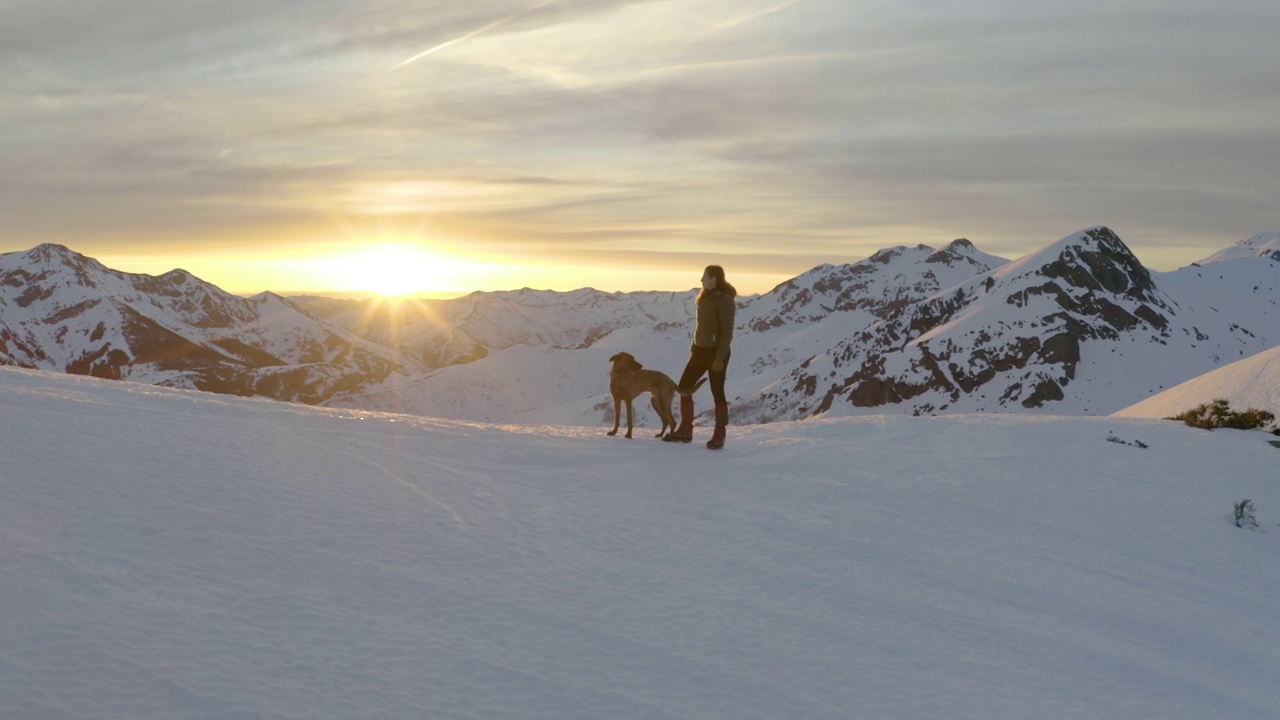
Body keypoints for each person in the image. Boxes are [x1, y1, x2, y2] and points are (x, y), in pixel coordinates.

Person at [664, 265, 736, 449]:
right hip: (700, 351)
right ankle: (685, 431)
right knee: (684, 387)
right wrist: (694, 349)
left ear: (714, 278)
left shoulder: (725, 300)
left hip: (716, 353)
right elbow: (701, 329)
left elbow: (727, 333)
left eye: (705, 276)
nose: (701, 280)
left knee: (717, 392)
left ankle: (720, 435)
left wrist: (719, 358)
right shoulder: (704, 298)